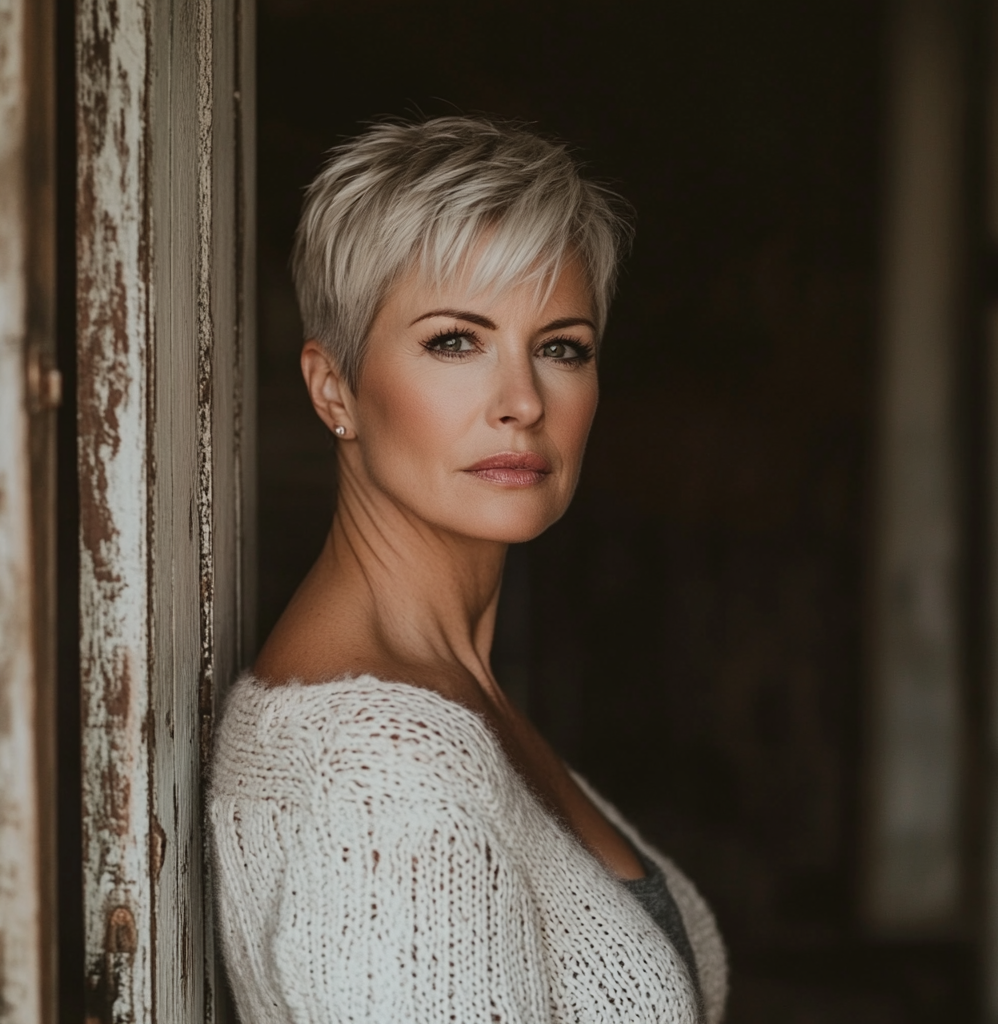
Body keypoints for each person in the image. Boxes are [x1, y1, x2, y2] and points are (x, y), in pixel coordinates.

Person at [209, 115, 727, 1024]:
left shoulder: (447, 689)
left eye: (562, 346)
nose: (523, 401)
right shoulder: (383, 774)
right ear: (335, 388)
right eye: (456, 340)